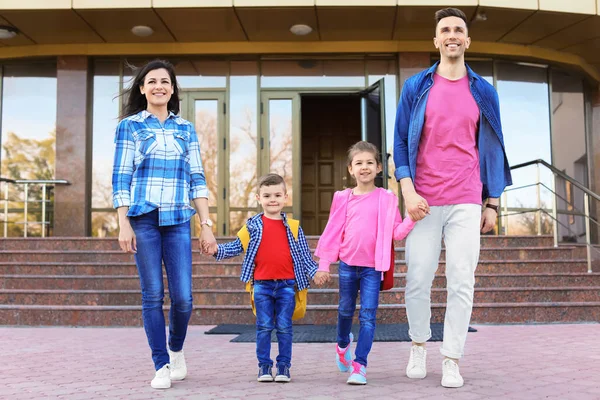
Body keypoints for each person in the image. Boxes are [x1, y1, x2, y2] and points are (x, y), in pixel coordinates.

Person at [393, 7, 512, 388]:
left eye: (459, 29)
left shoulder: (483, 90)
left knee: (462, 280)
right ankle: (418, 344)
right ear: (436, 41)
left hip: (465, 199)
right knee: (418, 279)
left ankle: (451, 358)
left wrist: (492, 202)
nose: (452, 35)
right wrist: (408, 191)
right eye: (445, 29)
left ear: (467, 40)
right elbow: (398, 142)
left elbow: (493, 146)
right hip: (423, 200)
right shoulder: (416, 86)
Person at [112, 59, 217, 389]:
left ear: (172, 90)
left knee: (184, 298)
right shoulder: (129, 126)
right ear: (142, 88)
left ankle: (176, 349)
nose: (159, 86)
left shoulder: (185, 128)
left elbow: (197, 177)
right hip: (142, 220)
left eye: (165, 82)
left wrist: (206, 222)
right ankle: (160, 365)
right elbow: (121, 177)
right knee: (153, 295)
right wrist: (123, 223)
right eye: (152, 81)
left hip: (177, 221)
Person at [314, 141, 416, 385]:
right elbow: (332, 232)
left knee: (368, 317)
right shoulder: (342, 198)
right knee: (345, 311)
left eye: (370, 162)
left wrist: (412, 217)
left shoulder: (387, 198)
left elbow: (397, 233)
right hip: (348, 265)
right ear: (351, 169)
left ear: (379, 167)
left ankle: (359, 366)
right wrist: (324, 264)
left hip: (373, 268)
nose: (365, 167)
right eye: (359, 163)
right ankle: (342, 345)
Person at [206, 173, 318, 383]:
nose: (272, 199)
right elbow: (235, 247)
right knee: (264, 327)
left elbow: (304, 255)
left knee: (285, 327)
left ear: (286, 197)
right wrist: (215, 250)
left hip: (287, 286)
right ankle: (264, 367)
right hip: (262, 286)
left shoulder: (294, 227)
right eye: (267, 195)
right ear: (259, 198)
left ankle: (283, 367)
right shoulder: (251, 226)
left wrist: (316, 272)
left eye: (277, 195)